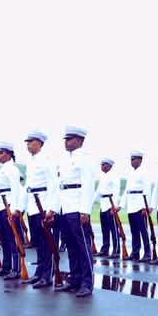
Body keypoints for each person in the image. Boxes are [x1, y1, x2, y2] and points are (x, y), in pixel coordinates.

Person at [54, 126, 96, 297]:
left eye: (69, 139)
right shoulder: (64, 160)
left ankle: (87, 282)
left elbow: (88, 185)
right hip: (65, 207)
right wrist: (56, 209)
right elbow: (59, 186)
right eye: (65, 139)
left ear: (80, 140)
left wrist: (85, 210)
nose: (66, 142)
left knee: (83, 246)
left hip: (77, 207)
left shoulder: (85, 159)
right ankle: (75, 278)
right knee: (70, 245)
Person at [21, 130, 59, 288]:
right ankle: (39, 272)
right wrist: (22, 207)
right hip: (32, 205)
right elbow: (28, 187)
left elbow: (53, 185)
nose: (28, 145)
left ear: (39, 143)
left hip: (43, 203)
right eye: (27, 142)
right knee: (38, 242)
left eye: (31, 142)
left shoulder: (47, 160)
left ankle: (47, 275)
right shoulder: (30, 162)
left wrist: (51, 208)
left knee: (46, 242)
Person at [0, 142, 24, 279]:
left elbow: (16, 190)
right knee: (4, 238)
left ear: (9, 154)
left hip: (8, 206)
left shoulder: (12, 169)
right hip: (0, 206)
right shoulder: (3, 169)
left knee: (12, 238)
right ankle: (6, 266)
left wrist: (15, 209)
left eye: (1, 153)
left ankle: (16, 269)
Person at [117, 150, 153, 262]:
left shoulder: (144, 172)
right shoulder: (131, 173)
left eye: (133, 159)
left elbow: (147, 189)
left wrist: (145, 207)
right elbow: (126, 191)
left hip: (140, 205)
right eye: (131, 159)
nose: (131, 161)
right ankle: (135, 253)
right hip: (131, 206)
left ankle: (147, 253)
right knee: (134, 231)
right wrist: (121, 205)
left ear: (140, 160)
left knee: (144, 231)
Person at [95, 157, 120, 258]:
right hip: (103, 204)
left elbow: (117, 192)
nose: (101, 166)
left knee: (113, 229)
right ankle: (105, 249)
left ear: (109, 165)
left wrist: (114, 207)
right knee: (104, 229)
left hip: (110, 204)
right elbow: (98, 192)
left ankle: (116, 250)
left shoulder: (114, 176)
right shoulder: (102, 176)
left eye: (103, 164)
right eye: (101, 165)